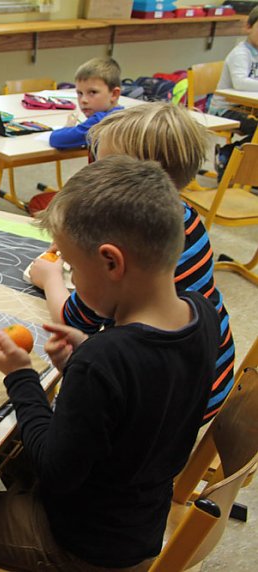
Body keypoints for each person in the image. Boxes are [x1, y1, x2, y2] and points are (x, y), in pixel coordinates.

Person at [0, 156, 221, 571]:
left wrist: (21, 376)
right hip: (136, 516)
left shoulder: (105, 360)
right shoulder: (201, 313)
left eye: (74, 269)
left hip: (85, 542)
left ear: (112, 262)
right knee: (0, 451)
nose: (73, 281)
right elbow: (144, 393)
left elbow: (55, 471)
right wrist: (81, 357)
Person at [30, 103, 235, 422]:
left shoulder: (123, 251)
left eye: (105, 167)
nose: (94, 173)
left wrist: (50, 278)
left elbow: (72, 320)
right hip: (211, 373)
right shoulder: (185, 218)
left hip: (170, 406)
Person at [208, 6, 258, 175]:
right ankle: (228, 154)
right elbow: (240, 82)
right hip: (226, 110)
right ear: (248, 27)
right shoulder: (241, 53)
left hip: (248, 107)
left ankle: (248, 168)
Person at [49, 57, 123, 150]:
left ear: (114, 94)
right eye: (80, 93)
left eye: (92, 92)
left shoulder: (101, 122)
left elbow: (57, 139)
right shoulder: (122, 114)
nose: (83, 100)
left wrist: (67, 128)